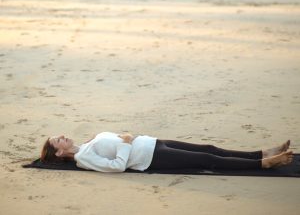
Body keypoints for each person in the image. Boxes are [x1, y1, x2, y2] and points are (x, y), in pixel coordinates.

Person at [40, 132, 293, 173]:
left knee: (209, 148)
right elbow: (117, 167)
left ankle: (260, 153)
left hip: (152, 142)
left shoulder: (85, 145)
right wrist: (126, 142)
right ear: (59, 154)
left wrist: (128, 139)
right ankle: (263, 164)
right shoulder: (83, 159)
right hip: (151, 158)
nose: (62, 136)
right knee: (208, 160)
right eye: (57, 140)